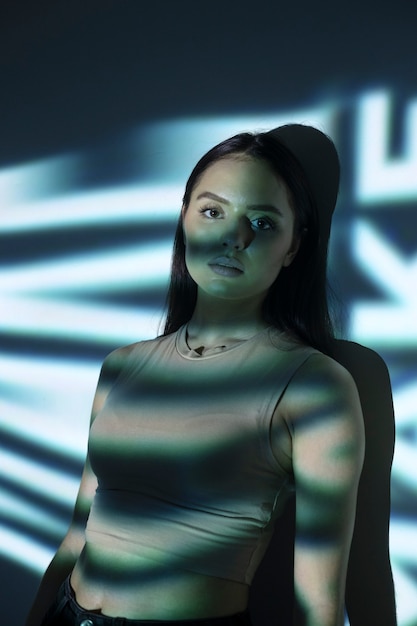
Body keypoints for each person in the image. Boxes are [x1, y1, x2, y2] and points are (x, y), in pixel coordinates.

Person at [26, 124, 365, 626]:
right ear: (185, 219)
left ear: (294, 246)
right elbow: (78, 534)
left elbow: (318, 602)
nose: (235, 236)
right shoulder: (122, 365)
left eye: (264, 223)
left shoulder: (314, 385)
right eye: (213, 211)